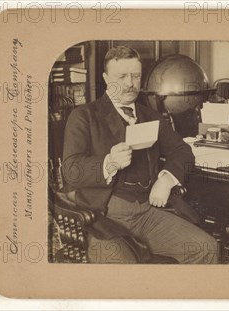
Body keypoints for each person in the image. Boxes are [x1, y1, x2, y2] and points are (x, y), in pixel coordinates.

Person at [62, 46, 218, 264]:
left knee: (205, 248)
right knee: (127, 273)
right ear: (106, 79)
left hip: (147, 212)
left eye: (135, 76)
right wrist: (109, 163)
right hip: (103, 217)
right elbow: (71, 171)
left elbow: (182, 151)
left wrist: (166, 180)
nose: (129, 83)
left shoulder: (151, 116)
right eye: (122, 76)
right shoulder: (84, 116)